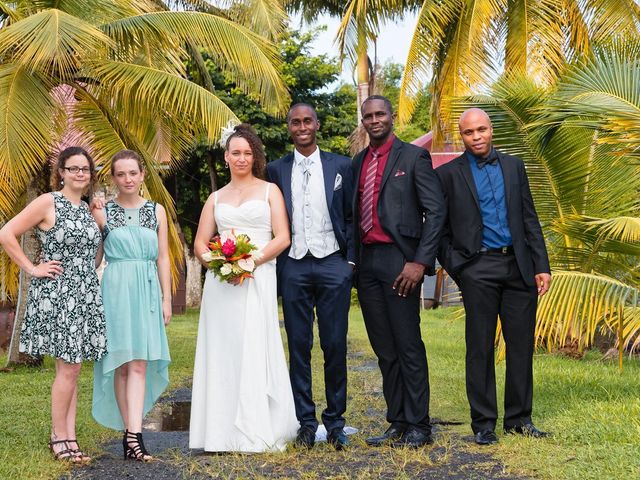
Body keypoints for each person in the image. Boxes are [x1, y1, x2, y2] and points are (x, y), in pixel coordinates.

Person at [435, 108, 552, 445]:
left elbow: (529, 217)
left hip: (518, 267)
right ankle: (484, 423)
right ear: (462, 136)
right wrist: (459, 267)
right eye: (469, 132)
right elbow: (439, 229)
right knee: (480, 348)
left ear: (491, 130)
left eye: (481, 130)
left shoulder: (514, 167)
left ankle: (519, 419)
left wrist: (540, 265)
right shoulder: (449, 174)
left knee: (520, 346)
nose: (477, 137)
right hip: (478, 269)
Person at [189, 123, 298, 453]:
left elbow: (283, 237)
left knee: (254, 345)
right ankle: (219, 433)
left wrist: (248, 264)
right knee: (222, 350)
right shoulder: (215, 197)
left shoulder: (269, 191)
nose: (241, 158)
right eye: (235, 152)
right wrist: (222, 267)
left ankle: (258, 427)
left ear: (255, 157)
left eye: (247, 153)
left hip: (258, 278)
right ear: (226, 157)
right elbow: (200, 245)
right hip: (222, 287)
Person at [0, 147, 107, 462]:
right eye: (73, 168)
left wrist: (100, 219)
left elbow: (95, 254)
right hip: (59, 294)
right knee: (69, 367)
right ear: (61, 172)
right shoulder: (48, 202)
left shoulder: (87, 208)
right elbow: (6, 233)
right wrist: (32, 269)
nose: (79, 174)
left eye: (85, 169)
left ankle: (68, 436)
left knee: (72, 368)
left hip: (85, 292)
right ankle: (60, 438)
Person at [353, 95, 445, 448]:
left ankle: (420, 425)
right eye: (368, 116)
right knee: (384, 349)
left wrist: (419, 262)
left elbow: (435, 213)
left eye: (380, 114)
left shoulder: (413, 156)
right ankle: (398, 422)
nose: (374, 120)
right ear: (363, 121)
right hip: (368, 264)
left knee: (407, 345)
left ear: (391, 117)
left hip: (401, 261)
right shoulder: (359, 162)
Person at [266, 103, 354, 450]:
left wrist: (350, 264)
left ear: (317, 124)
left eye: (307, 121)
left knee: (334, 345)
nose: (301, 126)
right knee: (299, 346)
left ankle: (335, 423)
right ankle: (305, 422)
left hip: (333, 263)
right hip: (294, 265)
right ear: (289, 128)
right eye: (295, 122)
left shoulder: (341, 166)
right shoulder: (275, 169)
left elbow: (351, 215)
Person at [91, 150, 172, 461]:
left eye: (132, 173)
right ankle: (131, 434)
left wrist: (166, 297)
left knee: (139, 363)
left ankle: (133, 436)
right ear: (113, 178)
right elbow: (94, 258)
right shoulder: (101, 211)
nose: (127, 179)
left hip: (147, 288)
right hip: (115, 288)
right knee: (122, 364)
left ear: (142, 176)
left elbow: (163, 257)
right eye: (120, 174)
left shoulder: (157, 210)